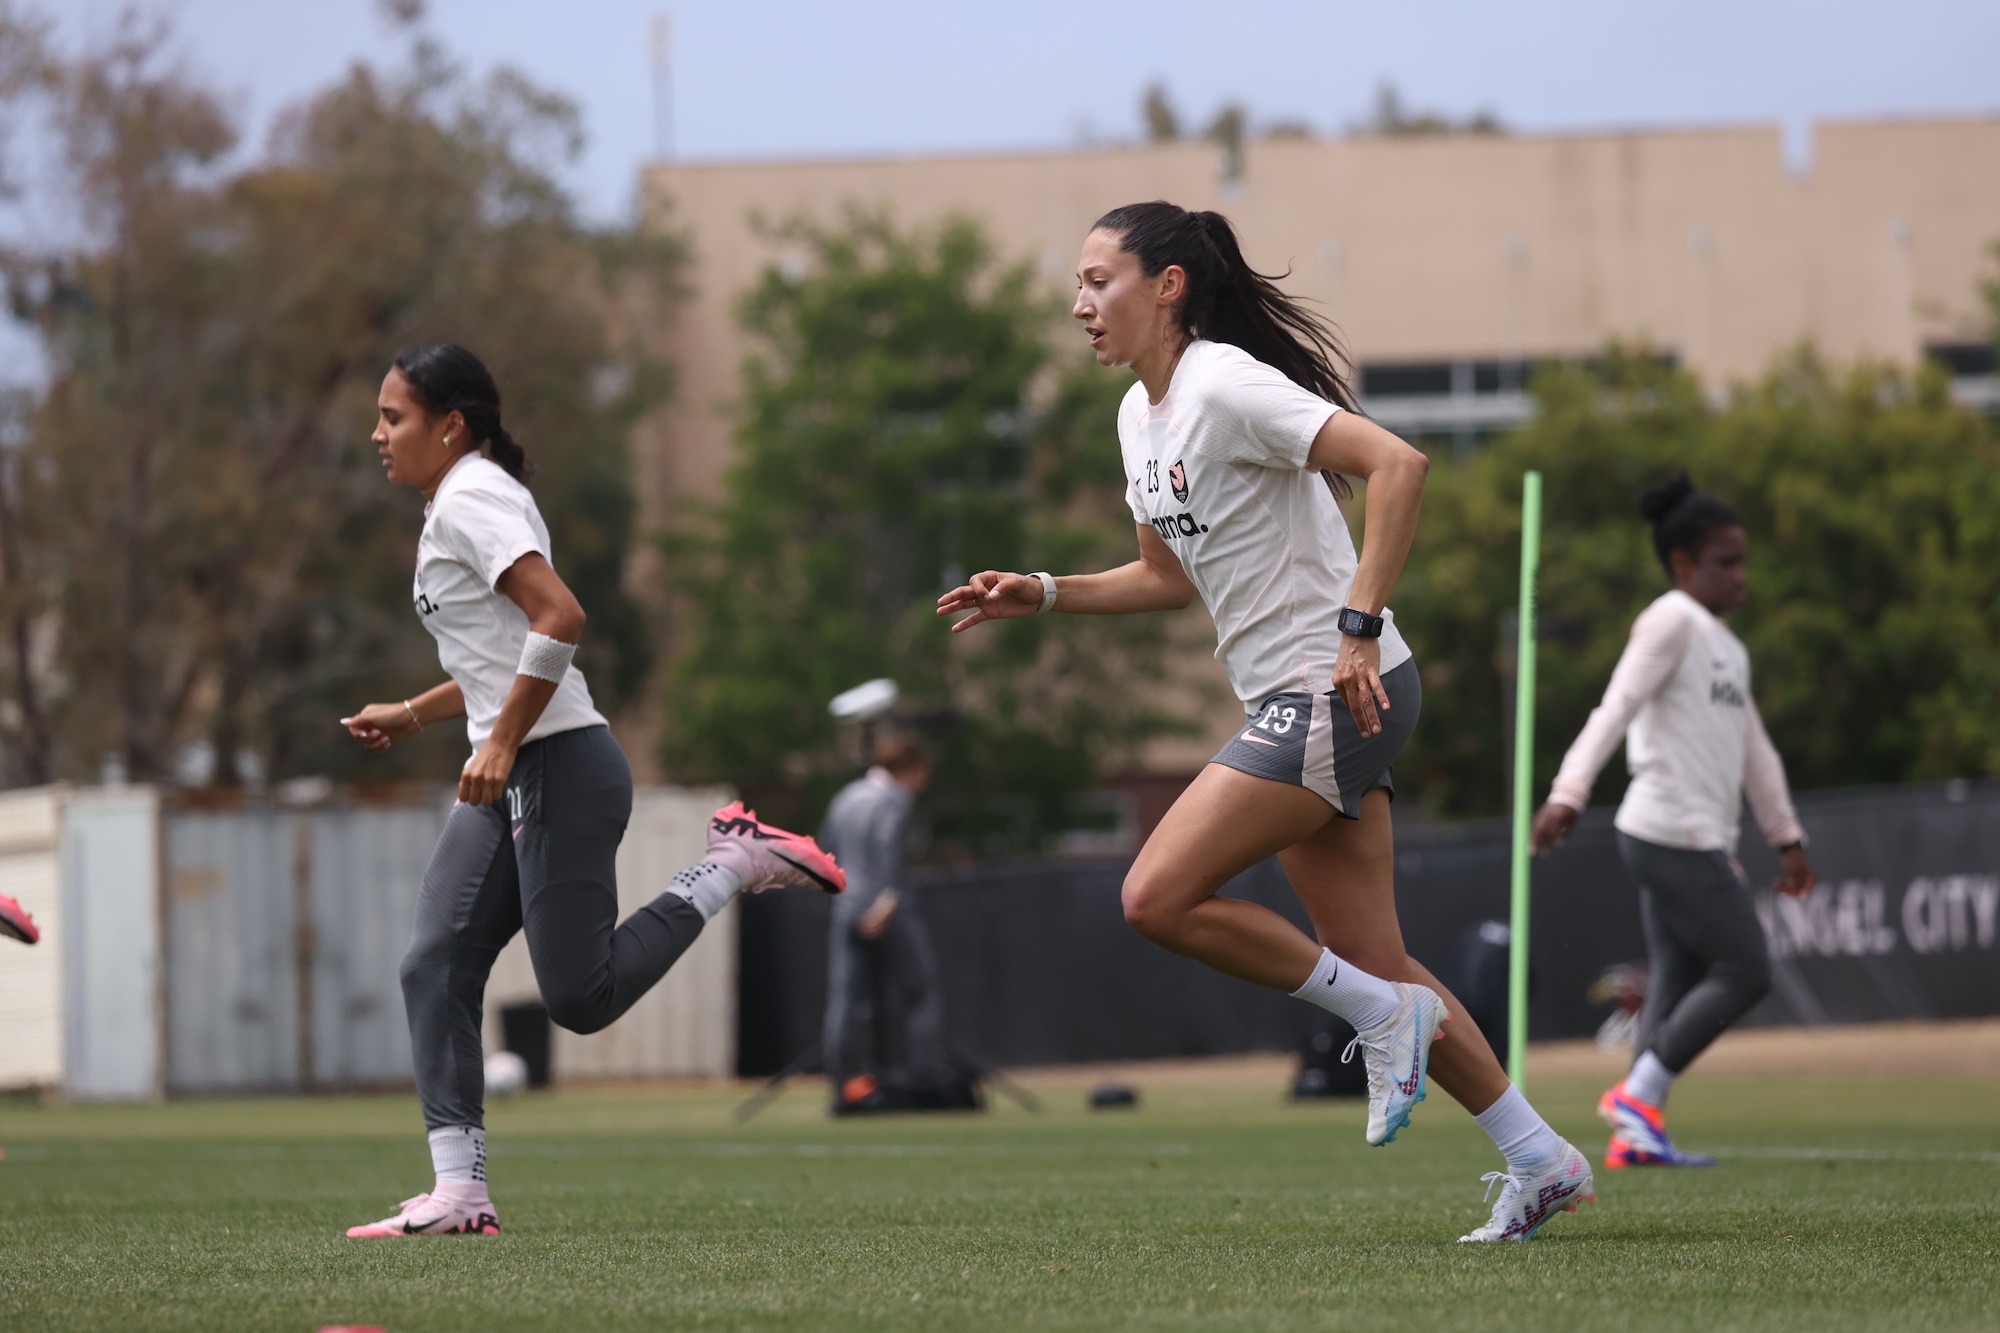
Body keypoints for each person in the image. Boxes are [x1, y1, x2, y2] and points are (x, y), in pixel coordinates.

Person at [937, 202, 1592, 1242]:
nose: (1078, 306)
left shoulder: (1223, 383)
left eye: (1098, 280)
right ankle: (1539, 1156)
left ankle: (1383, 1021)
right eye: (1076, 285)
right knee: (1375, 958)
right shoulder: (1137, 419)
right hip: (1301, 699)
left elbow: (1398, 465)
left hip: (1333, 691)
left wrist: (1357, 626)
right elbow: (1164, 577)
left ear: (1166, 286)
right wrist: (1047, 591)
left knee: (1153, 894)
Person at [339, 343, 846, 1238]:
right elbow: (498, 655)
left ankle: (735, 861)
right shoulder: (455, 500)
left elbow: (560, 617)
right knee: (435, 960)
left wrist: (499, 740)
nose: (376, 434)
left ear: (449, 425)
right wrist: (417, 715)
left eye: (393, 416)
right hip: (508, 767)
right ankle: (459, 1192)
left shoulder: (471, 494)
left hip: (559, 765)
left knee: (578, 996)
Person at [1532, 472, 1816, 1169]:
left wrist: (1788, 836)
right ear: (1683, 563)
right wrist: (1569, 789)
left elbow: (1758, 752)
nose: (1740, 575)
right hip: (1668, 829)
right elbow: (1616, 704)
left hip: (1691, 836)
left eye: (1742, 559)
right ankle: (1638, 1095)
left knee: (1677, 978)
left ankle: (1636, 1132)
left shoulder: (1728, 647)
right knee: (1746, 968)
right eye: (1726, 560)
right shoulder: (1670, 619)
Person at [819, 733, 948, 1110]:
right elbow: (888, 849)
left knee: (844, 1002)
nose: (923, 783)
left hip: (845, 906)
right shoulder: (895, 799)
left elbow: (826, 848)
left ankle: (841, 1090)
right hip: (887, 908)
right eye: (921, 774)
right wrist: (886, 903)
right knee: (920, 992)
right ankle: (924, 1084)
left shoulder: (845, 796)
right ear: (906, 769)